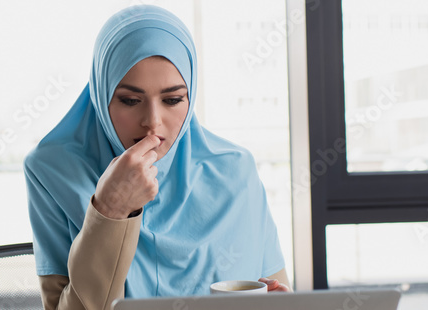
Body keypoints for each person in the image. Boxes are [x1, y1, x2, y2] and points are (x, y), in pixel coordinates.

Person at [24, 5, 289, 310]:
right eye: (130, 100)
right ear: (101, 94)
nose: (152, 121)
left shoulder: (234, 171)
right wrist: (110, 210)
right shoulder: (52, 170)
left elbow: (278, 294)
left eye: (173, 100)